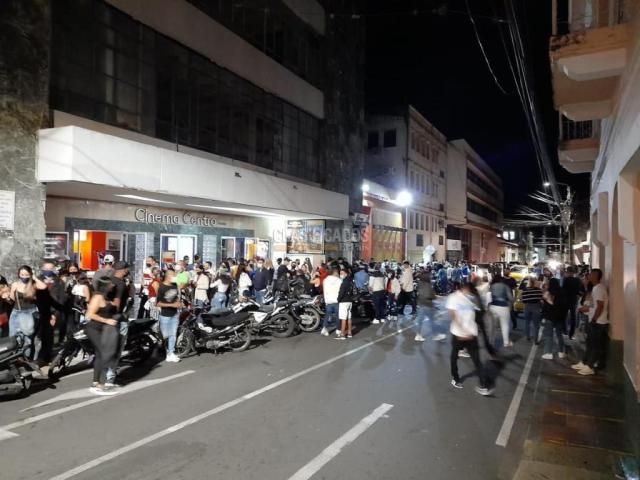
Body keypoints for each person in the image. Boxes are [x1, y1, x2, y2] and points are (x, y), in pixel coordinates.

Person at [447, 283, 493, 395]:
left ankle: (483, 385)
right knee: (454, 356)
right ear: (464, 288)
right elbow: (452, 315)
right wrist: (461, 331)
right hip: (458, 334)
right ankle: (455, 378)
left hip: (471, 334)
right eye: (469, 290)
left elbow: (479, 313)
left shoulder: (472, 298)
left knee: (476, 359)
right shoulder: (454, 297)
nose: (471, 292)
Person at [84, 277, 121, 395]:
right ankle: (98, 384)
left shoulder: (107, 297)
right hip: (93, 328)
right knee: (102, 353)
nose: (113, 286)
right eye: (110, 284)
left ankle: (98, 382)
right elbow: (90, 314)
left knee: (101, 354)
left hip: (103, 329)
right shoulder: (97, 297)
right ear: (105, 286)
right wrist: (106, 320)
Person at [574, 269, 608, 375]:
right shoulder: (595, 288)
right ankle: (585, 362)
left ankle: (590, 366)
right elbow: (593, 306)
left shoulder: (599, 288)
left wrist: (594, 319)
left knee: (594, 345)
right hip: (593, 320)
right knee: (590, 344)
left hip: (598, 321)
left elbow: (600, 306)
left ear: (596, 276)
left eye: (591, 274)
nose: (589, 276)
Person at [35, 261, 67, 364]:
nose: (48, 271)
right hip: (38, 312)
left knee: (49, 336)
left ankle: (45, 358)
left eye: (50, 269)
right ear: (42, 269)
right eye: (46, 269)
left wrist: (54, 315)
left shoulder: (59, 282)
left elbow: (61, 300)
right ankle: (36, 357)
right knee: (38, 336)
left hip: (53, 312)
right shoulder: (37, 280)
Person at [6, 266, 42, 357]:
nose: (24, 276)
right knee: (14, 338)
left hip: (29, 313)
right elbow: (11, 301)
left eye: (26, 274)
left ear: (30, 275)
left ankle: (26, 359)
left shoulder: (34, 285)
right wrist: (7, 297)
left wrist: (34, 278)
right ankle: (14, 358)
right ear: (19, 274)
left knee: (27, 339)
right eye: (22, 274)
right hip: (16, 313)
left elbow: (43, 287)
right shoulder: (15, 284)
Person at [156, 269, 181, 363]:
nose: (175, 277)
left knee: (173, 335)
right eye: (173, 275)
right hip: (165, 315)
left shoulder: (175, 285)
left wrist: (179, 302)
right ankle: (165, 353)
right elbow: (158, 303)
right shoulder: (161, 287)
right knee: (165, 336)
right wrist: (172, 305)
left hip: (175, 314)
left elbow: (176, 297)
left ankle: (171, 353)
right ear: (168, 276)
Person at [541, 278, 568, 359]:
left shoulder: (548, 293)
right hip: (559, 317)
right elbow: (565, 306)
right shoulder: (562, 292)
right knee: (559, 334)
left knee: (549, 335)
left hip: (550, 317)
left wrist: (543, 316)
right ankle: (561, 352)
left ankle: (549, 353)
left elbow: (545, 306)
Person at [415, 272, 444, 342]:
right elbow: (430, 295)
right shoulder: (428, 285)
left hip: (421, 304)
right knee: (432, 320)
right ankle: (436, 335)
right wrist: (438, 297)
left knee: (420, 321)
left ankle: (418, 335)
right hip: (427, 305)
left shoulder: (420, 283)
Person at [488, 274, 514, 348]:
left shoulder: (491, 286)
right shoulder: (505, 286)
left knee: (492, 327)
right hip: (503, 307)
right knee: (505, 325)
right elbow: (510, 298)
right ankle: (506, 342)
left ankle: (491, 342)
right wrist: (512, 301)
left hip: (493, 307)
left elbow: (488, 297)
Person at [562, 266, 583, 339]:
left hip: (566, 300)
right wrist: (578, 295)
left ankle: (565, 331)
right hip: (573, 300)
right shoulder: (577, 280)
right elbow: (579, 291)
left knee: (564, 316)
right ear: (573, 273)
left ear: (568, 272)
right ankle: (571, 334)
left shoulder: (565, 280)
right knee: (573, 318)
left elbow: (563, 290)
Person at [521, 277, 543, 344]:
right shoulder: (539, 291)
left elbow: (523, 300)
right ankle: (535, 340)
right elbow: (541, 299)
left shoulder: (525, 290)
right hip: (536, 308)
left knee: (527, 323)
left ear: (529, 283)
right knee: (536, 325)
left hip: (527, 307)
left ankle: (528, 337)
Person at [321, 267, 341, 336]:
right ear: (335, 272)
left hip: (328, 300)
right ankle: (338, 329)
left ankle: (324, 328)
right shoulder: (339, 280)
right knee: (338, 315)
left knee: (327, 315)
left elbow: (324, 291)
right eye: (337, 272)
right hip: (337, 300)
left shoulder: (325, 280)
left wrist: (326, 300)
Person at [336, 267, 354, 339]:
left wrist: (338, 299)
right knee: (349, 317)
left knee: (343, 318)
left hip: (343, 302)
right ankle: (349, 333)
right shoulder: (351, 281)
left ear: (346, 274)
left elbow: (341, 293)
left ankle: (342, 334)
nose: (341, 275)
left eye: (342, 273)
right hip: (350, 301)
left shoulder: (344, 283)